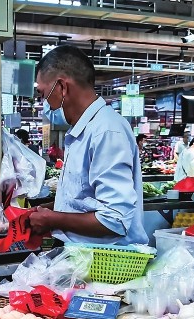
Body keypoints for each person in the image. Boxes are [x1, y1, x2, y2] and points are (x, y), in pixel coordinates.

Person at [28, 45, 147, 246]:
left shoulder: (106, 131)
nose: (43, 103)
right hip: (82, 256)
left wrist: (53, 219)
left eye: (43, 93)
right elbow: (83, 201)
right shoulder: (83, 131)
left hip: (108, 260)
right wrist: (46, 211)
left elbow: (114, 220)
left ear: (62, 87)